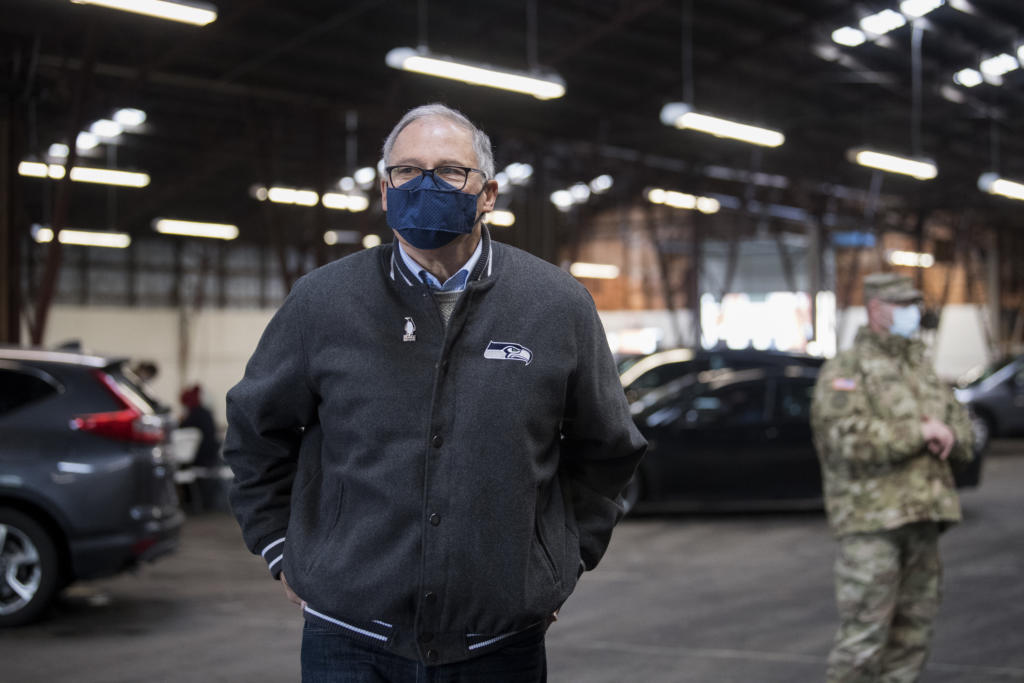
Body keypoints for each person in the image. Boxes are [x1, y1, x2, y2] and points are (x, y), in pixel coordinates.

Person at [223, 103, 646, 681]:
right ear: (384, 190)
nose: (425, 184)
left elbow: (607, 450)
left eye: (449, 171)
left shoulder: (555, 305)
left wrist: (560, 562)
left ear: (489, 193)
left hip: (498, 644)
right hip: (348, 638)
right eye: (407, 171)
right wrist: (279, 549)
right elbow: (255, 434)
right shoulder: (321, 303)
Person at [810, 272, 974, 683]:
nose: (911, 313)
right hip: (872, 523)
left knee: (912, 637)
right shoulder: (846, 369)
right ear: (875, 309)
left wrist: (952, 437)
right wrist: (916, 433)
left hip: (924, 517)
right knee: (863, 640)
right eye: (901, 305)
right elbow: (840, 440)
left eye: (913, 304)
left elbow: (961, 429)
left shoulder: (920, 367)